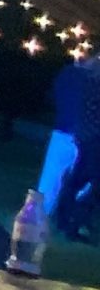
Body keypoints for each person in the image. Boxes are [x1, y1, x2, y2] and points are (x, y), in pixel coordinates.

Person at [37, 51, 93, 212]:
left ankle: (42, 211)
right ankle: (72, 212)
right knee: (84, 180)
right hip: (85, 137)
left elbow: (53, 96)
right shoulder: (91, 80)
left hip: (62, 130)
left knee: (51, 177)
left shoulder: (66, 74)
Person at [49, 54, 98, 241]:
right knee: (91, 182)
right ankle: (76, 220)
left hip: (86, 136)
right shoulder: (94, 84)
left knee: (79, 178)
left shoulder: (88, 81)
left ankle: (66, 218)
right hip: (94, 137)